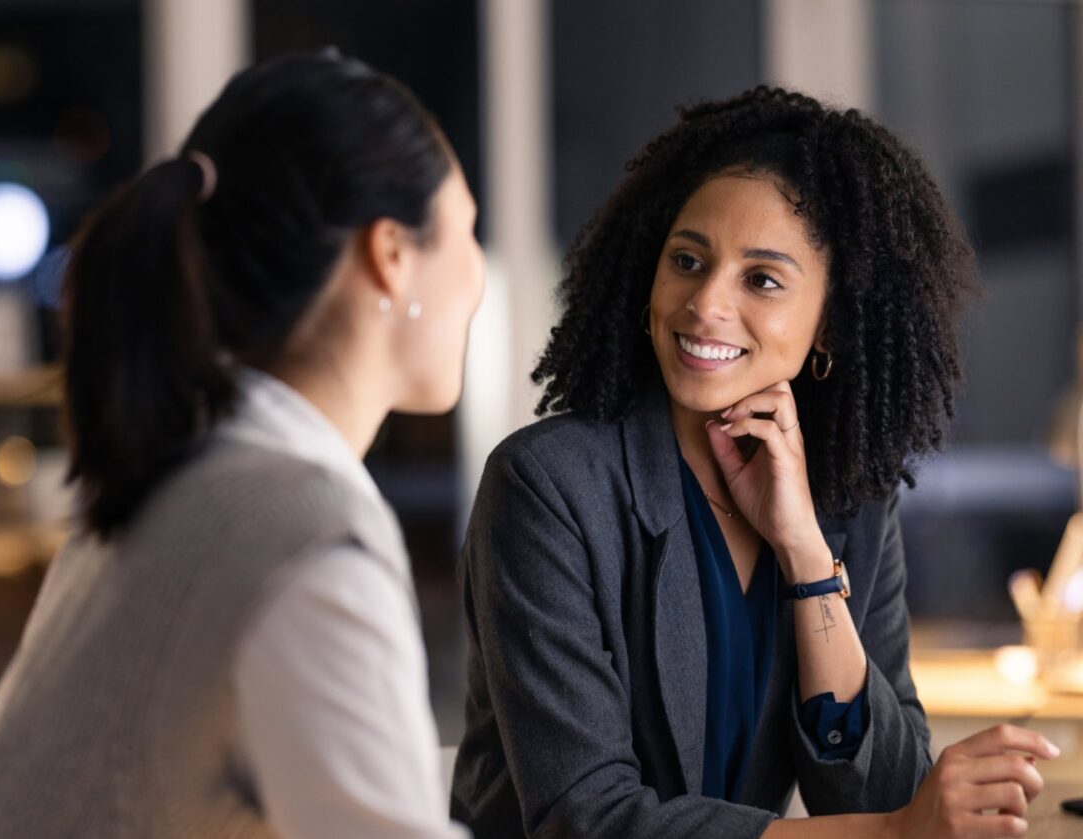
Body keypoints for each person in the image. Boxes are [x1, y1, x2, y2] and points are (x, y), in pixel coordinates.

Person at [451, 87, 1058, 839]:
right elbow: (587, 820)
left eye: (762, 279)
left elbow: (889, 790)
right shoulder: (548, 486)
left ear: (830, 321)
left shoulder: (850, 500)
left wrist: (805, 553)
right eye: (687, 260)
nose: (705, 303)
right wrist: (894, 831)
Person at [0, 51, 483, 838]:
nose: (478, 273)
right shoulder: (301, 531)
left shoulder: (185, 476)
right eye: (468, 229)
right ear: (390, 255)